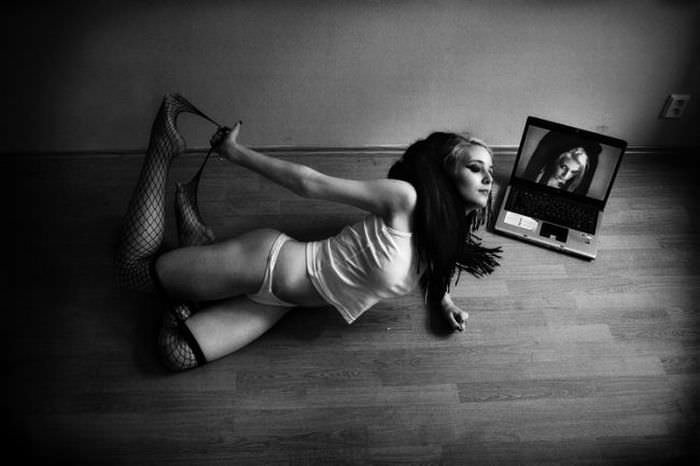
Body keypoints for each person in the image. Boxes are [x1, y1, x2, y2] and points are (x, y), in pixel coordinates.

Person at [115, 94, 501, 372]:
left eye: (490, 170)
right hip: (269, 264)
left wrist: (444, 302)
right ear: (445, 174)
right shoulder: (404, 198)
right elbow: (310, 183)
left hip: (280, 303)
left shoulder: (445, 230)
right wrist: (235, 153)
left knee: (176, 353)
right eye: (475, 168)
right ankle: (163, 148)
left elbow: (434, 265)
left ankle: (198, 250)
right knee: (133, 272)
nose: (488, 178)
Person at [523, 131, 601, 195]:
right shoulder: (536, 176)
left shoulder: (572, 189)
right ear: (556, 161)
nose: (565, 176)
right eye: (564, 167)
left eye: (574, 172)